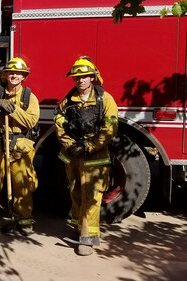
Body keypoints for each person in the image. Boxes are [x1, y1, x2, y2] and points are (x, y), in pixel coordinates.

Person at [54, 56, 118, 256]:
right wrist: (70, 144)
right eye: (76, 77)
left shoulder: (105, 99)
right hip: (73, 155)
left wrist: (89, 146)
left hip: (95, 156)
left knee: (91, 196)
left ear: (92, 78)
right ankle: (77, 226)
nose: (80, 80)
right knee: (75, 192)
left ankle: (88, 237)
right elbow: (59, 123)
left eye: (84, 77)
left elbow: (110, 128)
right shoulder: (68, 100)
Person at [0, 57, 40, 236]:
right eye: (11, 72)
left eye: (18, 73)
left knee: (22, 185)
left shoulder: (30, 97)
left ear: (23, 77)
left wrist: (14, 109)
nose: (14, 75)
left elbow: (31, 121)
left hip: (20, 146)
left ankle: (23, 219)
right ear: (5, 75)